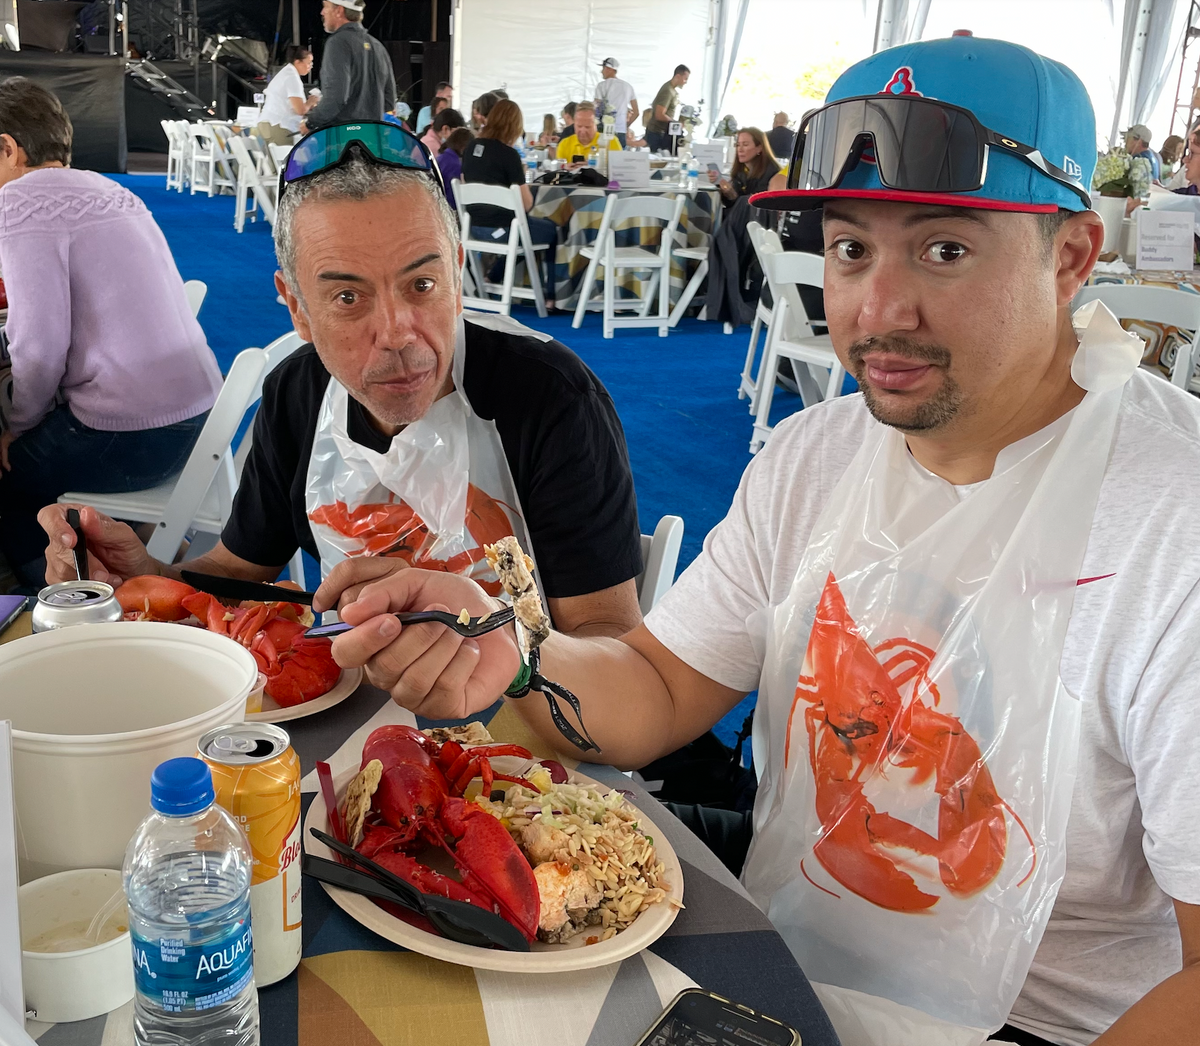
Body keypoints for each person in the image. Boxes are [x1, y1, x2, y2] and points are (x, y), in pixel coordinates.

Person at [313, 37, 1200, 1046]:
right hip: (786, 952)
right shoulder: (817, 451)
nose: (879, 309)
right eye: (852, 246)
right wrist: (510, 645)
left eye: (944, 248)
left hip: (1040, 1021)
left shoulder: (1175, 520)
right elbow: (656, 685)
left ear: (1073, 255)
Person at [42, 122, 645, 644]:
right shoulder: (296, 395)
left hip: (522, 717)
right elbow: (240, 568)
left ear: (457, 275)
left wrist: (490, 645)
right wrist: (146, 577)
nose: (396, 334)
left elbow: (606, 631)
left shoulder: (552, 398)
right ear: (297, 308)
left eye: (422, 285)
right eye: (348, 297)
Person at [0, 78, 221, 591]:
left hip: (134, 437)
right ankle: (143, 563)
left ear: (7, 147)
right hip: (198, 424)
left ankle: (57, 614)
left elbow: (38, 344)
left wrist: (18, 424)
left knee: (11, 485)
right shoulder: (109, 189)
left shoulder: (18, 204)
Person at [462, 100, 559, 295]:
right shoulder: (508, 155)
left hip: (474, 228)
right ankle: (551, 296)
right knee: (550, 230)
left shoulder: (471, 148)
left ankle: (492, 277)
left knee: (522, 233)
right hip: (504, 230)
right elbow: (526, 205)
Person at [299, 0, 395, 133]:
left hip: (343, 138)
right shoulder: (377, 46)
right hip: (372, 138)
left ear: (339, 11)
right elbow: (389, 101)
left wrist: (311, 123)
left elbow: (336, 97)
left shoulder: (337, 42)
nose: (322, 12)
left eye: (325, 7)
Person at [257, 45, 315, 146]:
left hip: (268, 124)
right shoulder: (292, 77)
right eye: (308, 63)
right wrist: (311, 102)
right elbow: (300, 110)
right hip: (279, 126)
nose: (311, 66)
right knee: (287, 159)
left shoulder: (286, 73)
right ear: (298, 62)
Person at [709, 127, 779, 207]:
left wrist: (733, 195)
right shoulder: (741, 171)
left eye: (745, 145)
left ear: (759, 148)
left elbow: (757, 205)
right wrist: (723, 187)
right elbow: (732, 204)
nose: (740, 149)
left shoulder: (771, 172)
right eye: (738, 145)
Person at [556, 102, 621, 165]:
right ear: (574, 124)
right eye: (579, 126)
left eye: (587, 127)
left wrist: (593, 169)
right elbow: (557, 171)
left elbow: (620, 171)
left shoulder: (610, 142)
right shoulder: (564, 144)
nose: (583, 130)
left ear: (596, 125)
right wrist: (565, 170)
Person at [593, 57, 639, 148]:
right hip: (621, 130)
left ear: (609, 69)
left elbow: (596, 107)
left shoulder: (601, 86)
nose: (601, 72)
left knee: (602, 158)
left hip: (604, 129)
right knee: (619, 159)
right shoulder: (628, 87)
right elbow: (636, 112)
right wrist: (626, 125)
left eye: (603, 69)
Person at [644, 64, 689, 154]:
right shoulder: (667, 91)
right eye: (685, 79)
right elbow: (659, 114)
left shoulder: (671, 90)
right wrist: (676, 124)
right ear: (677, 76)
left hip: (662, 132)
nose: (685, 82)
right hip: (657, 133)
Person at [437, 126, 471, 209]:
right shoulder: (456, 166)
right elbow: (454, 200)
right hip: (448, 212)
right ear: (465, 147)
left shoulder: (440, 158)